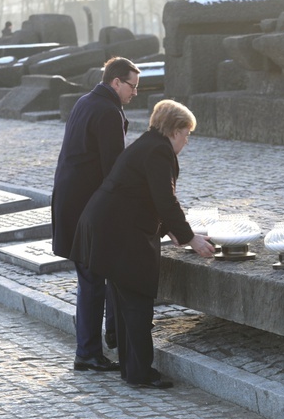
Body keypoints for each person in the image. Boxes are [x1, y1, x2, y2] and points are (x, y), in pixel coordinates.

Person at [70, 100, 215, 389]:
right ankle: (140, 373)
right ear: (174, 130)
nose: (187, 140)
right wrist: (189, 237)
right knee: (137, 300)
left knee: (128, 302)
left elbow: (143, 195)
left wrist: (170, 230)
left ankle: (132, 369)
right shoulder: (159, 150)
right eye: (187, 133)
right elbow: (165, 199)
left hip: (106, 228)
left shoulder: (148, 144)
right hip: (117, 233)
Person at [51, 57, 140, 372]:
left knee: (96, 275)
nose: (135, 93)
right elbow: (114, 172)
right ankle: (87, 353)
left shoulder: (86, 101)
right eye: (132, 86)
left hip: (71, 204)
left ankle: (109, 336)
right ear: (116, 82)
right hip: (86, 210)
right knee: (92, 280)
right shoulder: (107, 112)